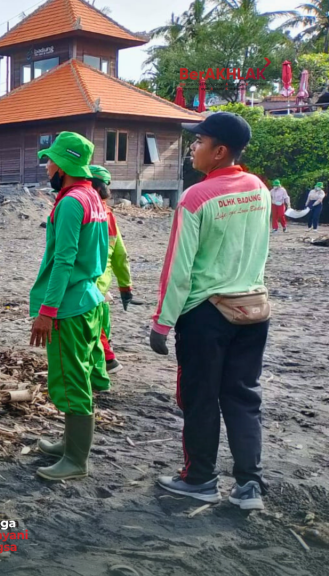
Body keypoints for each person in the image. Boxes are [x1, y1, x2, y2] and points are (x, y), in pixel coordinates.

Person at [151, 112, 270, 510]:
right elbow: (258, 250)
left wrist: (162, 323)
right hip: (254, 309)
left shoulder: (195, 197)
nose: (192, 148)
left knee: (200, 399)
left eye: (198, 141)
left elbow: (178, 270)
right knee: (242, 397)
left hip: (207, 314)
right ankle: (249, 485)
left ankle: (199, 479)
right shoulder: (259, 188)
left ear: (219, 152)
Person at [30, 132, 110, 482]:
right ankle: (69, 443)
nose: (47, 166)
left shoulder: (69, 203)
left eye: (50, 161)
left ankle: (76, 460)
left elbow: (63, 260)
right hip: (91, 298)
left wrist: (47, 311)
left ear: (63, 165)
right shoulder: (93, 197)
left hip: (69, 305)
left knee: (72, 378)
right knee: (81, 373)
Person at [87, 165, 134, 376]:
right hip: (103, 283)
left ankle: (107, 361)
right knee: (103, 324)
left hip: (91, 283)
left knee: (94, 329)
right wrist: (125, 287)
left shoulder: (89, 213)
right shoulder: (108, 215)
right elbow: (120, 255)